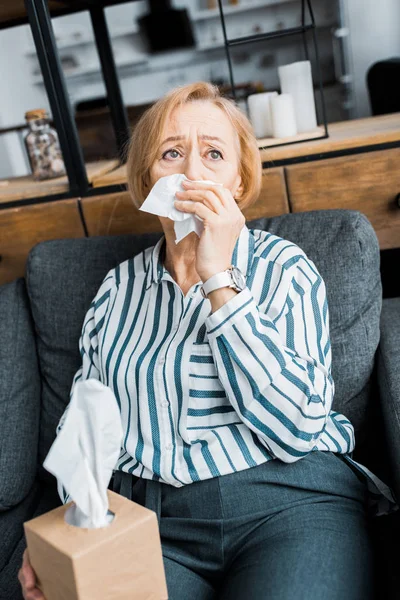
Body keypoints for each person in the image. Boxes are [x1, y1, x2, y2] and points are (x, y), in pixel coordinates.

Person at [19, 81, 394, 600]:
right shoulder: (116, 290)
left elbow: (298, 428)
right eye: (171, 153)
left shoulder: (286, 268)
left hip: (289, 499)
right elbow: (87, 423)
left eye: (213, 154)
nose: (191, 172)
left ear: (238, 182)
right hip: (152, 522)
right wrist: (67, 537)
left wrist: (220, 280)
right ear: (147, 179)